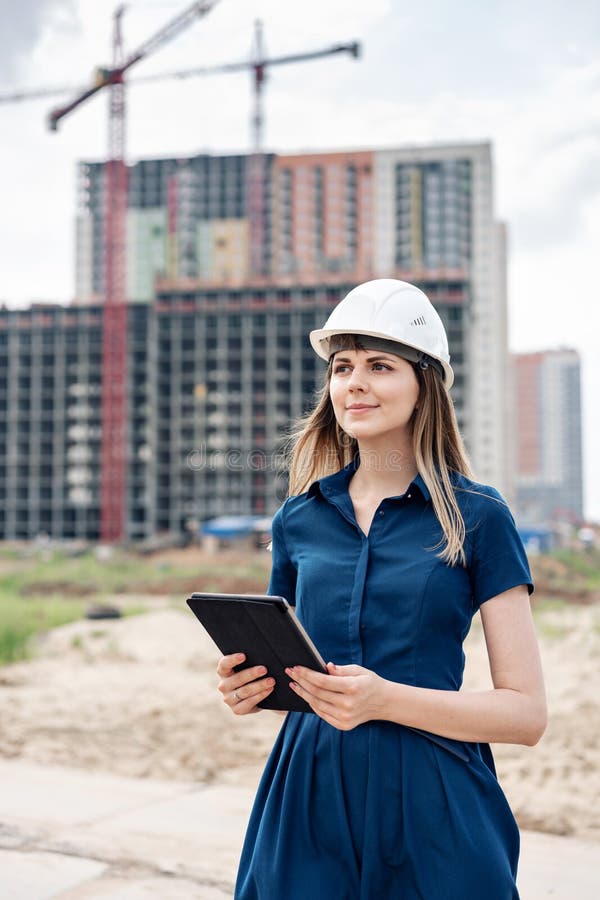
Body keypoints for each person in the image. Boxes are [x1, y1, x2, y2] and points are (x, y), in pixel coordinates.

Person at [216, 279, 547, 899]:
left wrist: (383, 699)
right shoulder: (298, 520)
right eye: (342, 367)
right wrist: (251, 688)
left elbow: (526, 715)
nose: (354, 382)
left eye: (379, 365)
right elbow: (294, 670)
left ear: (425, 385)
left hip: (434, 803)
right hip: (307, 797)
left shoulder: (479, 516)